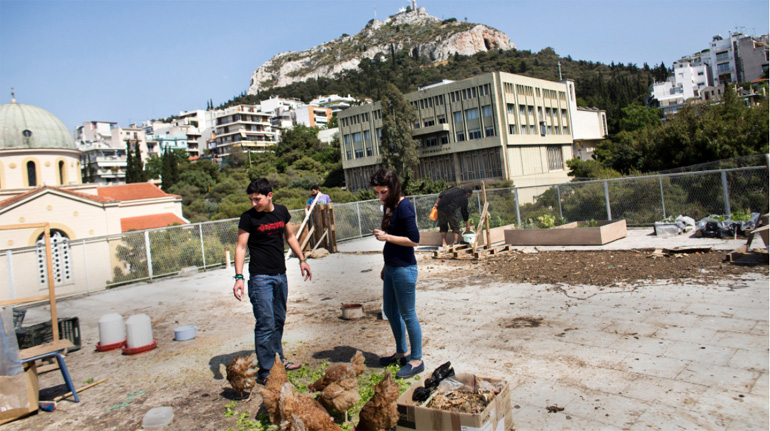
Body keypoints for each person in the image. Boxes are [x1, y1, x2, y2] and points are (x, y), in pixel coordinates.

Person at [233, 178, 311, 385]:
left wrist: (302, 259)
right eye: (250, 199)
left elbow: (291, 238)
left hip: (280, 275)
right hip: (260, 278)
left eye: (257, 199)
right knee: (265, 322)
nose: (253, 204)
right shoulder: (248, 218)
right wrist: (239, 277)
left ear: (270, 196)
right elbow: (241, 247)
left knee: (278, 319)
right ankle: (266, 370)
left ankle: (278, 360)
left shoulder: (281, 212)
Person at [370, 168, 425, 379]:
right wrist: (386, 264)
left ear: (393, 189)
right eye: (377, 192)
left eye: (383, 192)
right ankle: (402, 353)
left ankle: (417, 359)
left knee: (408, 314)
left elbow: (414, 240)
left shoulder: (405, 207)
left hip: (404, 269)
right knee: (390, 310)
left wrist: (387, 237)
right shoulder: (390, 207)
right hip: (392, 267)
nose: (380, 197)